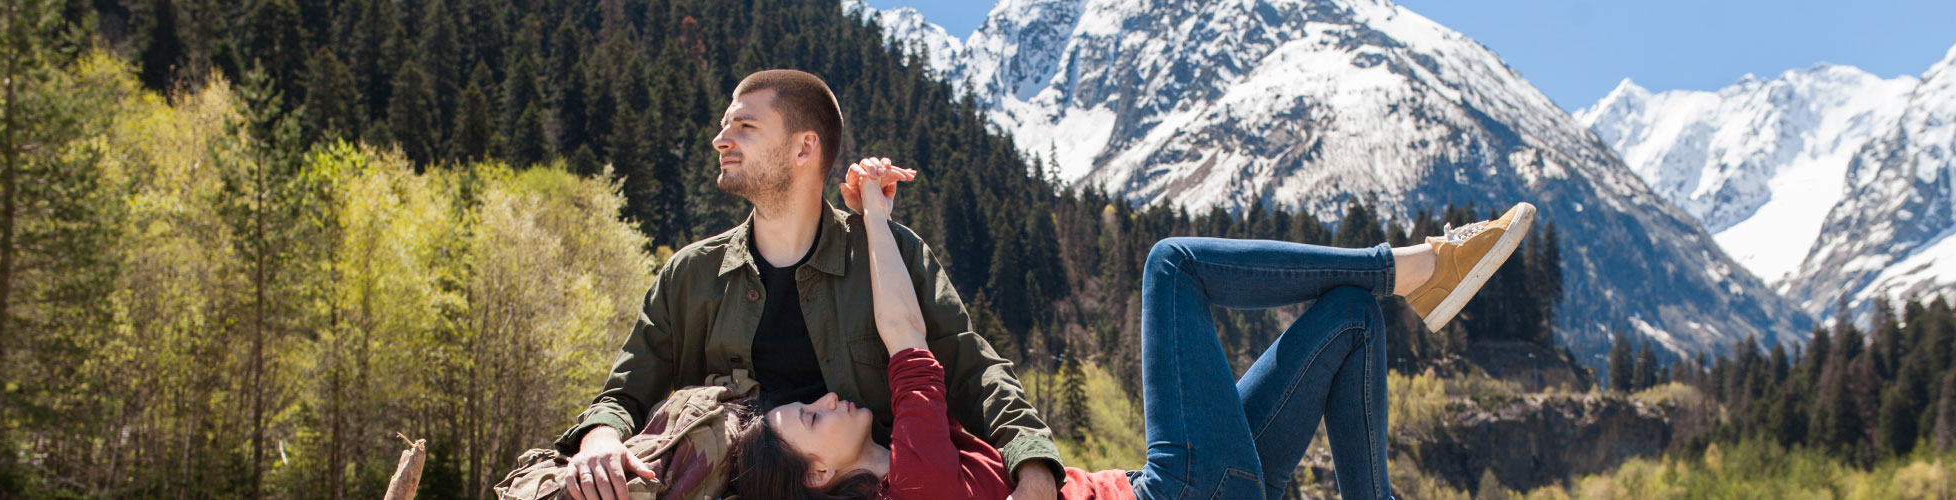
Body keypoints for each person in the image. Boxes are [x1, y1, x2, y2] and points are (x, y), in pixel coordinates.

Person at [736, 158, 1537, 500]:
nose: (827, 398)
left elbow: (922, 342)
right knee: (1172, 265)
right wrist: (874, 218)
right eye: (809, 416)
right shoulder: (911, 486)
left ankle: (1407, 282)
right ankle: (1416, 266)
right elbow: (903, 330)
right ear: (817, 475)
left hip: (1191, 490)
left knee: (1351, 322)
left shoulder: (913, 462)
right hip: (1175, 493)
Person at [556, 70, 1065, 500]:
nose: (721, 139)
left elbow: (974, 370)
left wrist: (1034, 464)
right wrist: (600, 438)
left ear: (804, 147)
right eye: (724, 124)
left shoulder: (888, 253)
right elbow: (624, 393)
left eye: (745, 126)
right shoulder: (690, 275)